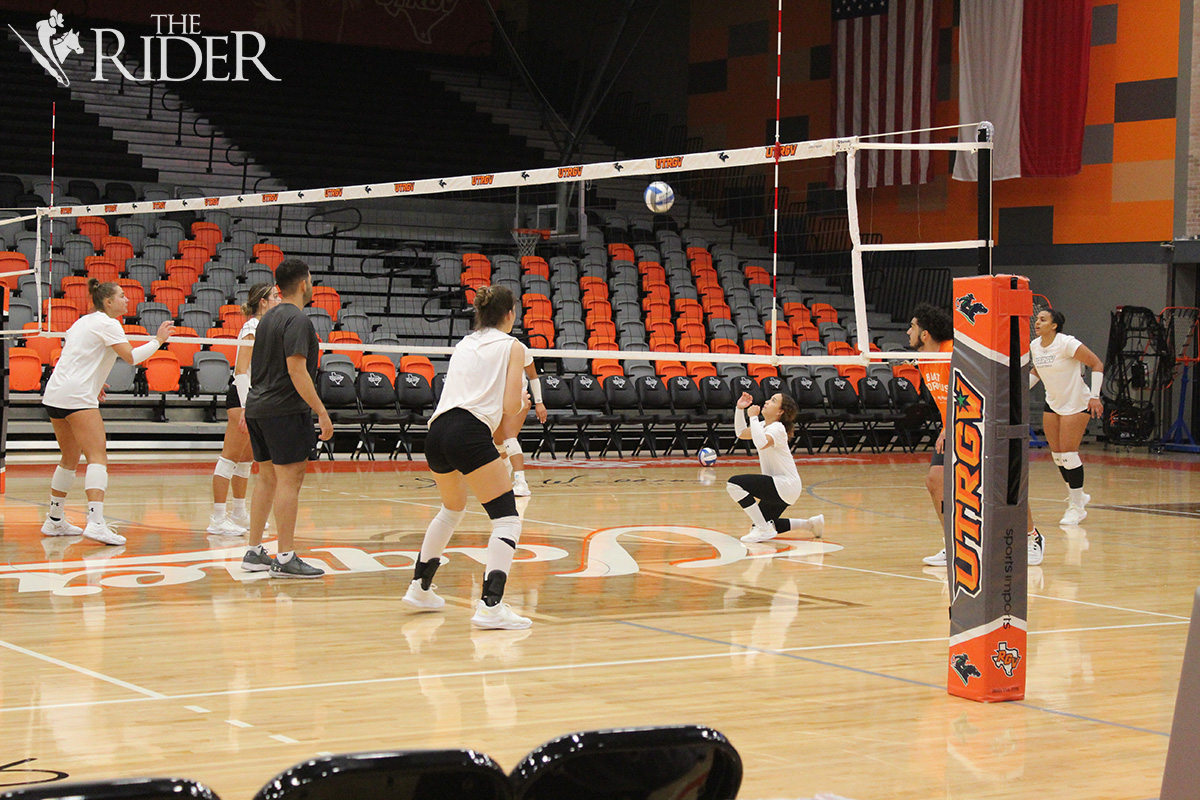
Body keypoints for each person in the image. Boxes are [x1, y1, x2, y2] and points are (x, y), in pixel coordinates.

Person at [402, 285, 531, 630]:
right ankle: (491, 606)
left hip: (437, 432)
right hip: (468, 431)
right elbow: (508, 408)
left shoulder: (464, 343)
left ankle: (420, 587)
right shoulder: (513, 346)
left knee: (451, 510)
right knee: (507, 519)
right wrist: (522, 403)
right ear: (510, 315)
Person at [40, 279, 174, 545]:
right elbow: (132, 358)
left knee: (69, 456)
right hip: (77, 397)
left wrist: (96, 381)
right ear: (108, 302)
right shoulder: (109, 323)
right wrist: (158, 340)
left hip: (56, 393)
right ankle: (96, 522)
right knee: (97, 456)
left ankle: (54, 521)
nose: (127, 300)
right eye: (122, 296)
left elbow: (79, 356)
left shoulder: (83, 321)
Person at [240, 259, 332, 578]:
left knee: (267, 479)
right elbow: (296, 369)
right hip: (284, 409)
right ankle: (285, 556)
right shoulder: (297, 319)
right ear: (304, 283)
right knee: (289, 482)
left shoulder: (266, 318)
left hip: (258, 407)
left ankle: (253, 551)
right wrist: (320, 410)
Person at [208, 283, 280, 535]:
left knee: (246, 460)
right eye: (274, 296)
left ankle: (238, 513)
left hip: (256, 399)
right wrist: (246, 406)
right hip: (242, 398)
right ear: (263, 302)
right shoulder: (251, 328)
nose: (278, 299)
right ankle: (217, 519)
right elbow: (240, 371)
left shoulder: (266, 327)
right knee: (229, 457)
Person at [1031, 308, 1104, 528]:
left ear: (1054, 325)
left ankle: (1077, 507)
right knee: (1058, 455)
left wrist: (1095, 396)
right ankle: (1078, 495)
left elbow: (1096, 364)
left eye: (1043, 320)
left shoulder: (1067, 343)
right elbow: (1036, 372)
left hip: (1076, 402)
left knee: (1069, 454)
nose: (1037, 323)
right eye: (1037, 319)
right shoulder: (1034, 346)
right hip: (1053, 402)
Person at [726, 391, 824, 543]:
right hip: (784, 486)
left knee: (734, 484)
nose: (766, 401)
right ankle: (810, 524)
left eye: (773, 401)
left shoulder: (777, 428)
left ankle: (763, 529)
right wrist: (739, 409)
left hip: (784, 484)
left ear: (780, 411)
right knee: (763, 523)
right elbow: (741, 433)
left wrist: (752, 416)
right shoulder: (764, 425)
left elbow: (761, 443)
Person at [493, 348, 547, 497]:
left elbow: (533, 376)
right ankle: (504, 476)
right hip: (497, 399)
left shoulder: (519, 348)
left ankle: (521, 483)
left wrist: (539, 402)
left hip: (519, 398)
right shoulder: (487, 349)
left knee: (509, 437)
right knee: (498, 442)